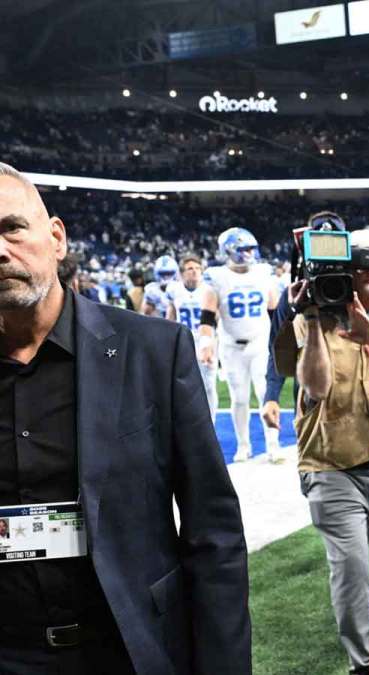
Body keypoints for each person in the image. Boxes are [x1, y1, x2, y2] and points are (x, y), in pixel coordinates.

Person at [0, 162, 250, 673]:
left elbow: (213, 533)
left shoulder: (155, 353)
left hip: (129, 650)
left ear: (57, 238)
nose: (0, 250)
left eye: (11, 228)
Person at [276, 225, 369, 675]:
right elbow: (317, 386)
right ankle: (365, 665)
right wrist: (310, 318)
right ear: (348, 272)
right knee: (352, 570)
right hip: (332, 465)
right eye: (367, 265)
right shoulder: (315, 318)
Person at [200, 227, 282, 463]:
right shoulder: (217, 276)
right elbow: (207, 316)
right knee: (240, 398)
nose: (248, 254)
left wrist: (282, 340)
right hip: (231, 346)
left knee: (265, 393)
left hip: (260, 342)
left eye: (250, 249)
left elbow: (274, 310)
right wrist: (206, 342)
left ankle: (273, 445)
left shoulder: (263, 273)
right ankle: (244, 445)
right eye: (243, 249)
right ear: (228, 251)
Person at [166, 254, 219, 421]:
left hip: (206, 339)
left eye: (197, 268)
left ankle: (210, 421)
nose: (195, 272)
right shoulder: (174, 289)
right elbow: (171, 316)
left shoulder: (209, 290)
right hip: (184, 341)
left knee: (208, 384)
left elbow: (216, 318)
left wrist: (211, 343)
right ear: (182, 273)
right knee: (183, 384)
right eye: (190, 269)